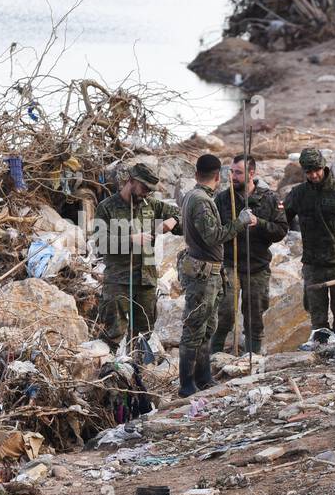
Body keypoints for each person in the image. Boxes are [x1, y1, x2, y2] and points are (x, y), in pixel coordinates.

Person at [178, 153, 254, 396]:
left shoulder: (196, 196)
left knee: (207, 327)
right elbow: (213, 236)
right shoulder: (200, 200)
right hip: (202, 274)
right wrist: (240, 223)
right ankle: (186, 383)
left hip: (209, 273)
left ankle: (203, 376)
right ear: (217, 176)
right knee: (195, 327)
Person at [91, 161, 179, 349]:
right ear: (130, 181)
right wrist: (131, 238)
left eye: (150, 190)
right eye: (144, 187)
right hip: (118, 280)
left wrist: (172, 221)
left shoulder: (151, 205)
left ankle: (138, 372)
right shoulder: (107, 207)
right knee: (113, 333)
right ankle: (111, 372)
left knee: (144, 334)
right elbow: (101, 242)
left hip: (145, 280)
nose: (146, 192)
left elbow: (182, 212)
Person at [211, 154, 287, 357]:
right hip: (230, 264)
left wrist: (258, 223)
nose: (233, 177)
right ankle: (213, 357)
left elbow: (281, 230)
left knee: (255, 316)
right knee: (224, 313)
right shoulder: (223, 199)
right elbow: (214, 231)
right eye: (232, 172)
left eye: (238, 173)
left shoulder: (269, 198)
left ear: (252, 173)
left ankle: (253, 358)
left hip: (257, 266)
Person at [282, 147, 335, 345]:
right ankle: (320, 359)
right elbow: (280, 221)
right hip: (313, 265)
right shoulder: (298, 194)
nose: (314, 175)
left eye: (317, 170)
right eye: (309, 172)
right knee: (318, 321)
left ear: (324, 167)